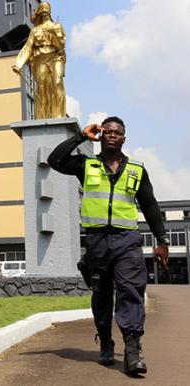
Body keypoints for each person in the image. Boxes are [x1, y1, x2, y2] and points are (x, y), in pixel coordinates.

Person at [48, 116, 168, 376]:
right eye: (108, 131)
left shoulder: (137, 169)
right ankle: (105, 341)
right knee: (101, 296)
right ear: (101, 135)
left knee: (131, 291)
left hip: (127, 241)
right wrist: (81, 136)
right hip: (97, 242)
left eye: (118, 132)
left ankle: (133, 350)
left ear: (124, 138)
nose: (112, 135)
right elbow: (54, 160)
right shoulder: (85, 164)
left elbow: (149, 205)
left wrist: (162, 240)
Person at [12, 1, 66, 119]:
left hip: (55, 57)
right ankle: (42, 116)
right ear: (40, 12)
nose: (45, 12)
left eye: (47, 10)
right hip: (40, 58)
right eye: (43, 10)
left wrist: (57, 35)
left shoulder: (56, 26)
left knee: (57, 82)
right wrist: (19, 64)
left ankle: (59, 115)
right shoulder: (35, 30)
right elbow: (28, 47)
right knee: (41, 87)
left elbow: (62, 44)